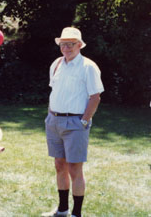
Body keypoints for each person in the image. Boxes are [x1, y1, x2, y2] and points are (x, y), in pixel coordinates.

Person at [42, 27, 104, 217]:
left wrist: (84, 122)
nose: (66, 48)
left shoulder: (88, 66)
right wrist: (50, 116)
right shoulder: (56, 64)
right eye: (63, 44)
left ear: (79, 45)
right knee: (59, 165)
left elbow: (95, 97)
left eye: (70, 44)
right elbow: (56, 91)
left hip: (76, 124)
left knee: (74, 168)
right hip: (54, 121)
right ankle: (62, 209)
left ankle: (76, 213)